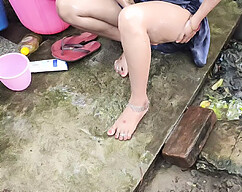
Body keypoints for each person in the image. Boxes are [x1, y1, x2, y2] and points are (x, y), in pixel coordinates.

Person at [56, 0, 220, 141]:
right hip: (138, 7)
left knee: (131, 17)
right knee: (67, 6)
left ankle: (139, 103)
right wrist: (128, 7)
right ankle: (134, 40)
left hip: (179, 14)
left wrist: (194, 22)